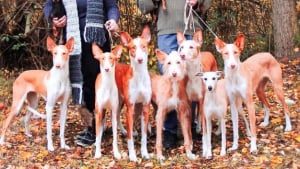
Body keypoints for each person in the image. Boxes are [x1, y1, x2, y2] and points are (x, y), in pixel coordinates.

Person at [44, 0, 120, 147]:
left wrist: (113, 19)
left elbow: (112, 6)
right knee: (80, 83)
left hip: (96, 41)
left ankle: (96, 127)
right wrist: (53, 19)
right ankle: (91, 124)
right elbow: (48, 5)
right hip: (73, 42)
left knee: (95, 82)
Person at [137, 0, 212, 148]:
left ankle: (189, 128)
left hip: (191, 29)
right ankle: (169, 131)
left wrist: (197, 2)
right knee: (169, 80)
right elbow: (144, 6)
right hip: (166, 31)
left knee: (193, 79)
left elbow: (207, 2)